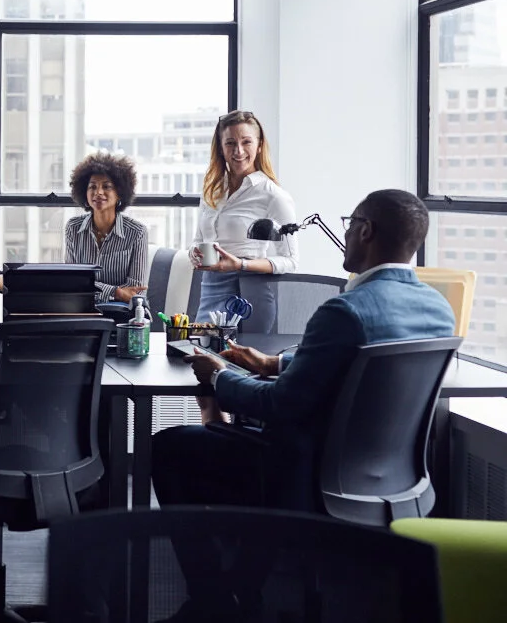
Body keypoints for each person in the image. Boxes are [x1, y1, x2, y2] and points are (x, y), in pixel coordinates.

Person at [150, 189, 456, 623]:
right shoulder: (437, 309)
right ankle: (243, 587)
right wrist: (276, 361)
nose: (347, 233)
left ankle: (215, 599)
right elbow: (359, 358)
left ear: (365, 231)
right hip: (395, 476)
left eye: (351, 223)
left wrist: (217, 376)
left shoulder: (345, 311)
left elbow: (280, 404)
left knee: (171, 449)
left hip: (308, 476)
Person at [191, 110, 299, 335]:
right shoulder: (212, 190)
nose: (238, 151)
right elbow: (199, 239)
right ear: (221, 148)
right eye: (230, 143)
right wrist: (194, 252)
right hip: (210, 286)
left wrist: (240, 264)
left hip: (248, 291)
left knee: (238, 364)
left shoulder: (273, 195)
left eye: (246, 142)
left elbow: (290, 261)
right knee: (201, 355)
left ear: (259, 145)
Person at [63, 152, 149, 305]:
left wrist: (93, 290)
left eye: (106, 186)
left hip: (125, 313)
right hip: (83, 310)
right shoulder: (73, 228)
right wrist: (116, 292)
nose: (98, 192)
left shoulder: (137, 232)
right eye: (92, 187)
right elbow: (72, 282)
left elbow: (135, 290)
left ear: (120, 193)